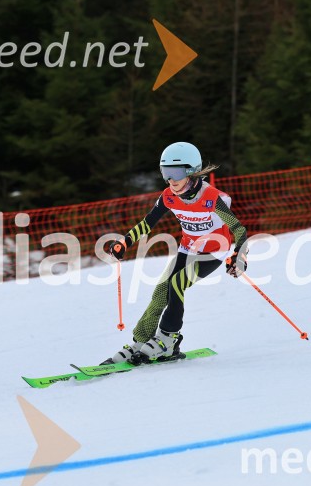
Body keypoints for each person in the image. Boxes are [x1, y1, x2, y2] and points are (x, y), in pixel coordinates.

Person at [102, 141, 249, 365]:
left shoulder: (211, 198)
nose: (171, 180)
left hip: (212, 254)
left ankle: (168, 339)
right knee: (161, 291)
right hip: (187, 250)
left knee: (177, 283)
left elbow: (239, 229)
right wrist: (126, 241)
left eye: (176, 173)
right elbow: (148, 223)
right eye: (166, 173)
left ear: (192, 172)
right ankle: (141, 341)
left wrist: (239, 255)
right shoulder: (168, 196)